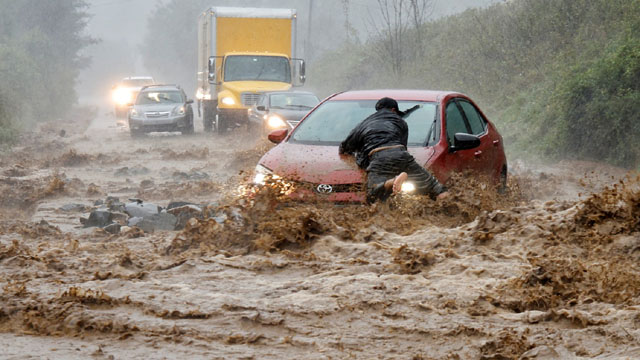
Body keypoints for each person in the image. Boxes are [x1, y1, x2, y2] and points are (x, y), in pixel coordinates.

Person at [339, 97, 449, 204]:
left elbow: (345, 147)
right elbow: (403, 146)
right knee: (435, 186)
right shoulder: (401, 122)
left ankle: (392, 182)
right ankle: (451, 209)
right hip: (401, 154)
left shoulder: (364, 124)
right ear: (393, 110)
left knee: (372, 193)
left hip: (379, 156)